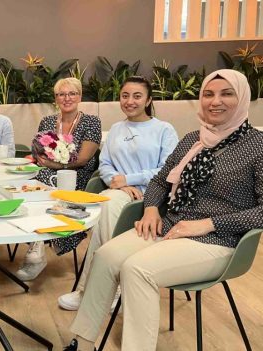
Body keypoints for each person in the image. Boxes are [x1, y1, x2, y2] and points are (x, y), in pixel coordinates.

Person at [63, 69, 263, 351]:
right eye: (208, 94)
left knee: (137, 270)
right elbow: (159, 180)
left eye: (226, 93)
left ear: (242, 98)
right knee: (105, 256)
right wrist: (151, 210)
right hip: (168, 226)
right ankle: (82, 344)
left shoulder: (257, 145)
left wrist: (208, 224)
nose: (215, 101)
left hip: (218, 240)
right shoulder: (194, 138)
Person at [57, 76, 178, 311]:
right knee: (109, 203)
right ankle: (109, 288)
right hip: (121, 193)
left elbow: (168, 169)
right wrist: (119, 184)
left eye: (137, 96)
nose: (130, 101)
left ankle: (92, 290)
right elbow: (104, 164)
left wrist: (129, 179)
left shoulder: (163, 129)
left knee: (108, 206)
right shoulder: (116, 129)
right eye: (125, 96)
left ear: (148, 100)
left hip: (154, 197)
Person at [16, 77, 101, 281]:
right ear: (56, 98)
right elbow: (38, 152)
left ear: (79, 96)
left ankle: (38, 248)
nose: (67, 98)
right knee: (28, 182)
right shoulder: (47, 122)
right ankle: (37, 245)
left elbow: (83, 159)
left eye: (72, 93)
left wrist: (55, 165)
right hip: (48, 173)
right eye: (61, 94)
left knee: (42, 177)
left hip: (78, 176)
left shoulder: (91, 122)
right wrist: (44, 162)